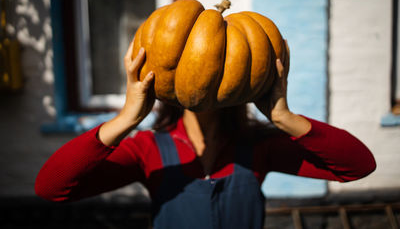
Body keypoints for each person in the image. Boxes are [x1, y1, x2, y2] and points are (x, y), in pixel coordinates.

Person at [35, 40, 376, 229]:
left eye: (214, 62)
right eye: (187, 60)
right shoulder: (148, 149)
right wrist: (126, 118)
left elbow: (357, 166)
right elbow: (52, 188)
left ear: (237, 73)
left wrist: (283, 117)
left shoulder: (258, 147)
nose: (200, 73)